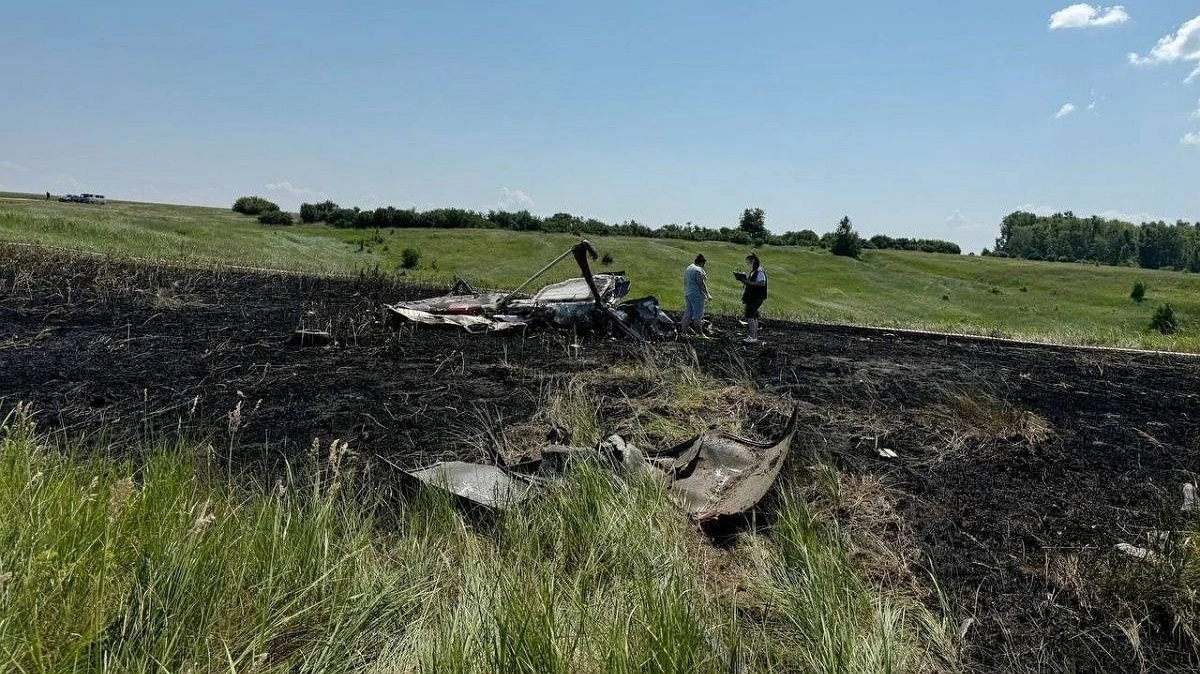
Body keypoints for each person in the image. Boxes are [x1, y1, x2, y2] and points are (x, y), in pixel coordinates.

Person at [737, 253, 767, 343]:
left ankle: (753, 337)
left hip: (756, 297)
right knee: (754, 316)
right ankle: (754, 336)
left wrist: (748, 282)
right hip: (752, 297)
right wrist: (744, 281)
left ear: (753, 261)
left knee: (750, 316)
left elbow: (762, 283)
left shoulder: (759, 271)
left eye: (748, 262)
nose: (747, 264)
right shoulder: (754, 271)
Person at [680, 254, 711, 337]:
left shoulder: (689, 268)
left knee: (687, 314)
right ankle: (700, 334)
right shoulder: (698, 270)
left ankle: (683, 333)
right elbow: (701, 284)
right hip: (697, 295)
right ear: (702, 263)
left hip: (688, 293)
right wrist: (707, 294)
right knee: (698, 316)